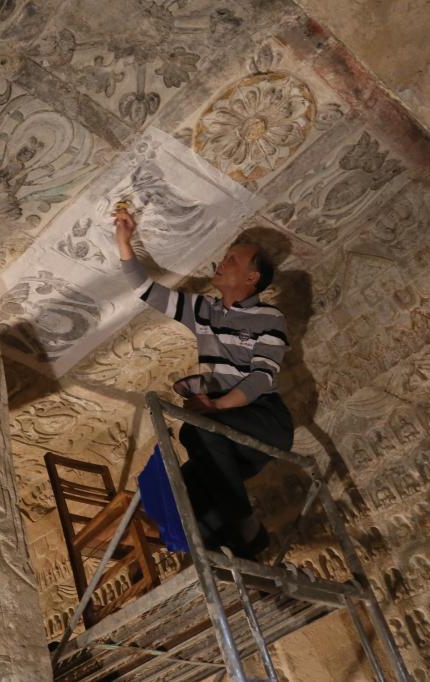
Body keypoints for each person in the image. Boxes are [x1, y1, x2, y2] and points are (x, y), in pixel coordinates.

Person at [114, 206, 294, 559]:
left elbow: (262, 377)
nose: (221, 263)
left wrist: (216, 406)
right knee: (184, 486)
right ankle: (240, 555)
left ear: (252, 277)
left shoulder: (268, 317)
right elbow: (148, 291)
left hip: (264, 419)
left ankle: (245, 523)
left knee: (197, 431)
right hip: (225, 431)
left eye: (232, 259)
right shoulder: (204, 311)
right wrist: (124, 242)